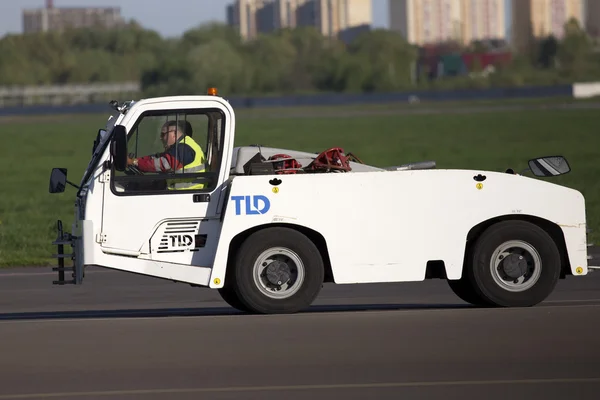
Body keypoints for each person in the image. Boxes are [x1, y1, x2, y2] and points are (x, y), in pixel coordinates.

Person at [127, 120, 206, 190]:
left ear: (174, 134)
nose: (161, 138)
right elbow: (158, 157)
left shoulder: (184, 148)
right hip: (180, 195)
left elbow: (162, 164)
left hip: (186, 196)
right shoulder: (181, 146)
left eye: (163, 134)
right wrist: (136, 161)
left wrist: (134, 162)